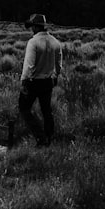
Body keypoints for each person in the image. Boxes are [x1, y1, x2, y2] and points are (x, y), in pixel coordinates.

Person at [19, 13, 63, 146]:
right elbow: (59, 65)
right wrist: (55, 76)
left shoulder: (33, 42)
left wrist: (24, 81)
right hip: (47, 81)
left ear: (36, 27)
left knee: (24, 108)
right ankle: (49, 138)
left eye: (32, 26)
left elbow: (29, 65)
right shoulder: (55, 42)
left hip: (33, 82)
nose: (31, 29)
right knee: (46, 110)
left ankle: (40, 137)